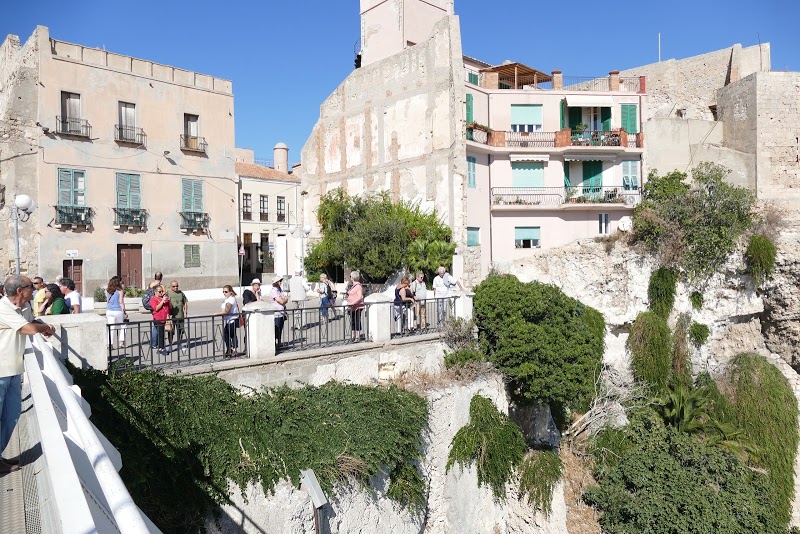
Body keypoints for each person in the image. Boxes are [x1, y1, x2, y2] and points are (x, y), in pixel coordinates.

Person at [0, 275, 56, 473]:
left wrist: (43, 327)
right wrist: (45, 328)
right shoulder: (3, 308)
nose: (34, 290)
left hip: (14, 371)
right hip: (1, 372)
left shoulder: (24, 307)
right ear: (19, 291)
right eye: (30, 287)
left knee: (12, 415)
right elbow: (29, 328)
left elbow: (33, 321)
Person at [215, 285, 239, 357]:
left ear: (230, 292)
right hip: (228, 320)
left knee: (232, 335)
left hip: (232, 320)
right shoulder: (227, 299)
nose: (224, 293)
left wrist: (216, 314)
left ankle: (233, 350)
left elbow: (226, 311)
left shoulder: (231, 299)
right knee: (226, 335)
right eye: (223, 292)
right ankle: (229, 349)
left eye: (226, 291)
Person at [167, 280, 189, 354]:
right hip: (172, 316)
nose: (175, 287)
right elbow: (167, 305)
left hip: (180, 315)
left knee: (180, 331)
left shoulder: (181, 293)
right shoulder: (168, 293)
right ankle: (170, 346)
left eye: (177, 286)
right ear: (171, 287)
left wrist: (185, 312)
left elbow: (185, 302)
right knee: (171, 332)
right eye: (174, 286)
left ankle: (180, 344)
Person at [105, 277, 127, 349]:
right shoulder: (120, 290)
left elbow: (107, 301)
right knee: (123, 325)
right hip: (117, 310)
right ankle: (121, 342)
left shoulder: (108, 290)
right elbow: (121, 302)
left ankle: (109, 344)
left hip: (109, 311)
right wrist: (124, 312)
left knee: (111, 327)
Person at [149, 285, 170, 356]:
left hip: (164, 318)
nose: (161, 293)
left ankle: (161, 347)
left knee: (162, 334)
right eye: (159, 291)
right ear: (155, 292)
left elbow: (169, 307)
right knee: (161, 334)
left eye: (162, 291)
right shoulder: (153, 299)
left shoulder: (163, 298)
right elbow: (156, 308)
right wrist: (162, 301)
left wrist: (168, 300)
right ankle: (161, 348)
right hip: (158, 319)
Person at [269, 276, 289, 348]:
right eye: (279, 281)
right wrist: (284, 300)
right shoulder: (273, 290)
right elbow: (281, 300)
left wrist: (284, 300)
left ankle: (279, 342)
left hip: (282, 311)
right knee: (276, 328)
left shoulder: (280, 289)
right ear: (276, 282)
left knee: (280, 327)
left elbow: (285, 299)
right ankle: (274, 343)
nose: (281, 282)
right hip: (276, 312)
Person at [346, 270, 365, 342]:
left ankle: (357, 336)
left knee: (357, 321)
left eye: (350, 277)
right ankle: (353, 335)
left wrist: (352, 302)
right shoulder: (353, 286)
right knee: (353, 321)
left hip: (357, 307)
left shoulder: (358, 286)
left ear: (352, 278)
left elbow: (360, 297)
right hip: (352, 307)